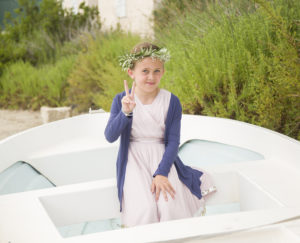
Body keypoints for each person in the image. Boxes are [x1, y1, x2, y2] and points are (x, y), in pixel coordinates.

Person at [104, 42, 216, 227]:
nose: (151, 76)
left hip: (162, 157)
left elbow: (173, 141)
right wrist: (125, 112)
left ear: (163, 72)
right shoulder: (120, 99)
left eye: (157, 71)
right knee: (144, 208)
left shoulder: (171, 101)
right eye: (145, 71)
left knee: (169, 205)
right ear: (131, 72)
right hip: (133, 158)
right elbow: (110, 136)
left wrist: (162, 173)